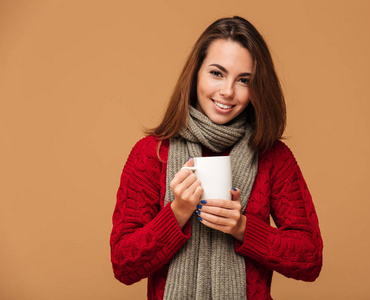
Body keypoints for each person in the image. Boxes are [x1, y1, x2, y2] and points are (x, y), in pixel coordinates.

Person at [110, 16, 323, 300]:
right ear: (196, 73)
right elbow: (124, 265)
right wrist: (177, 214)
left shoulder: (273, 157)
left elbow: (309, 259)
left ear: (257, 88)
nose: (228, 91)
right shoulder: (152, 154)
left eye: (244, 80)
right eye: (217, 73)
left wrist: (242, 227)